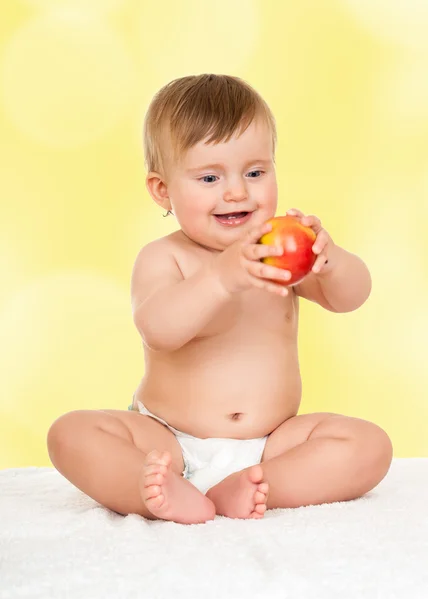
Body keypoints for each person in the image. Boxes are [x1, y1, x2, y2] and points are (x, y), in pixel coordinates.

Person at [47, 74, 393, 524]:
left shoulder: (277, 249)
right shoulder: (165, 258)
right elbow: (159, 329)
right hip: (168, 438)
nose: (236, 191)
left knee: (369, 446)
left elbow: (351, 297)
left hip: (270, 443)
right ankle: (151, 486)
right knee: (70, 433)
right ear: (162, 190)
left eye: (254, 172)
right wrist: (222, 278)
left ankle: (258, 485)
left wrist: (331, 261)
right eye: (209, 176)